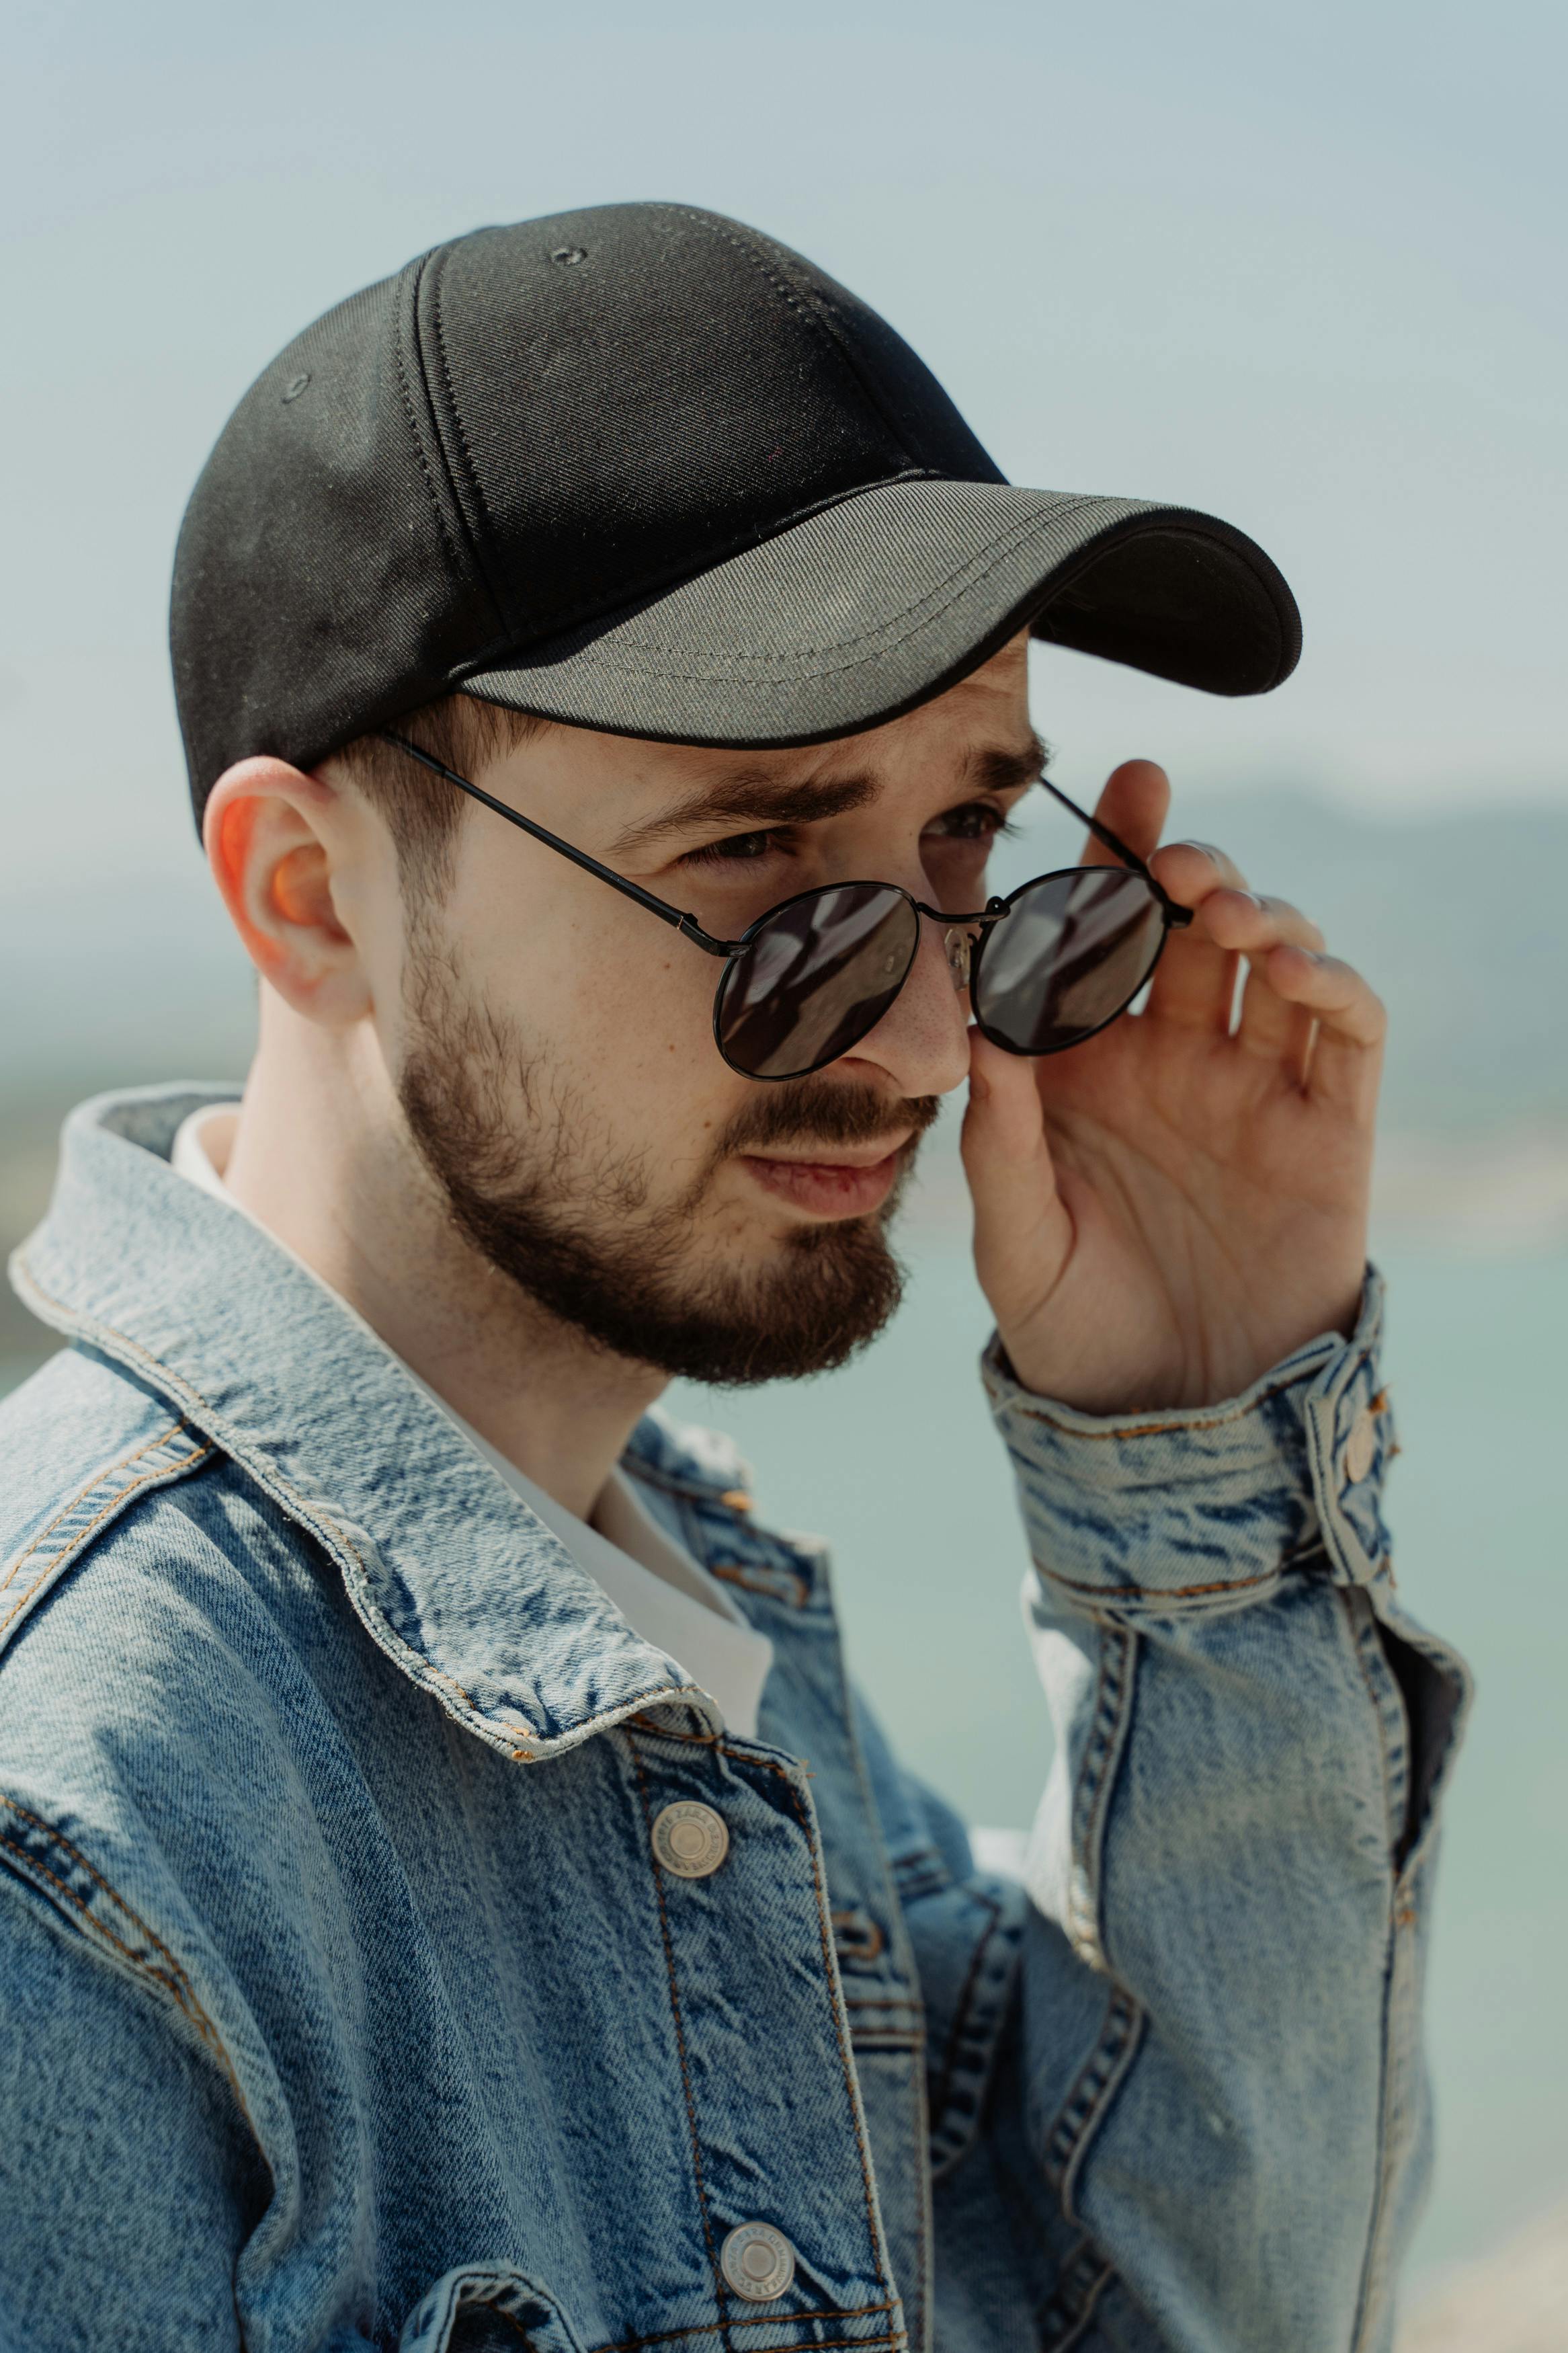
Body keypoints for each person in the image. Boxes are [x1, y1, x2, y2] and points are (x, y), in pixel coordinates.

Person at [0, 203, 1468, 2353]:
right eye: (761, 866)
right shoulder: (76, 1835)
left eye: (967, 848)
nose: (925, 1040)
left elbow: (1208, 2313)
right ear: (309, 892)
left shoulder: (687, 1616)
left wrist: (1193, 1444)